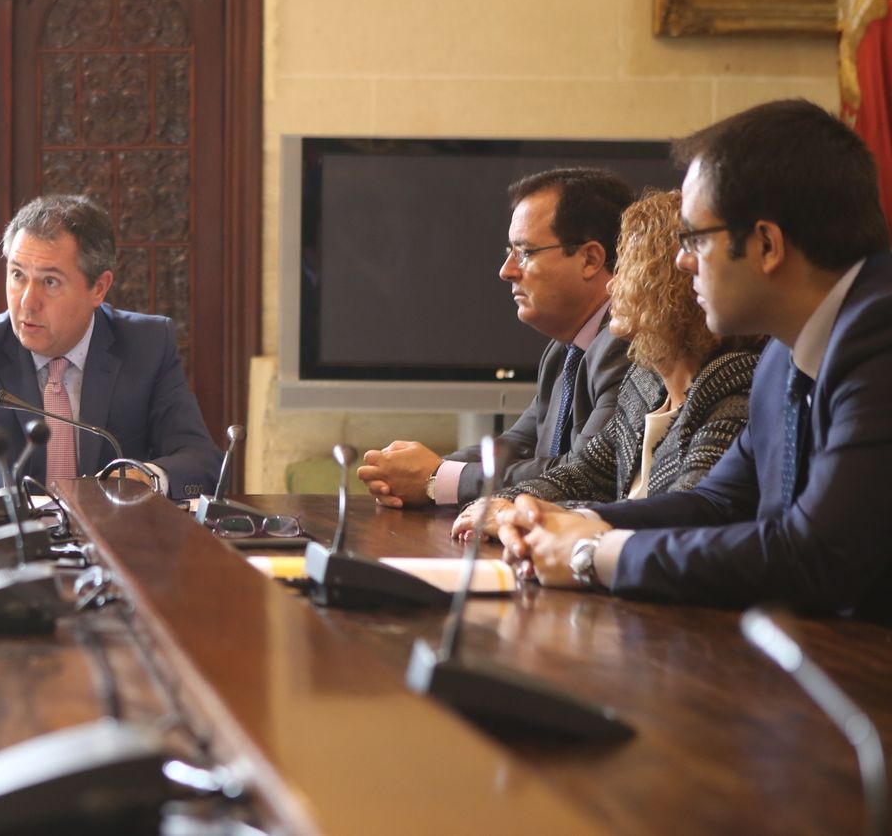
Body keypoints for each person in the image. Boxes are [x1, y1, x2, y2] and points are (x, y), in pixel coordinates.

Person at [498, 99, 892, 623]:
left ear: (767, 244)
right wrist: (572, 521)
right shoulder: (782, 354)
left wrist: (593, 554)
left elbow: (816, 557)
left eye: (695, 239)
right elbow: (715, 503)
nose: (681, 261)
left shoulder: (880, 339)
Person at [452, 189, 763, 540]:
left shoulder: (736, 385)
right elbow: (581, 474)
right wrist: (505, 504)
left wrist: (535, 515)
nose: (613, 283)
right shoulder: (644, 382)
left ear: (672, 284)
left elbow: (685, 512)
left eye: (628, 266)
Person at [0, 194, 222, 507]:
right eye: (17, 275)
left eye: (50, 282)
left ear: (98, 288)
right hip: (3, 553)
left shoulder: (146, 345)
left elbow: (202, 461)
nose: (27, 302)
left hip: (118, 549)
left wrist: (145, 476)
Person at [359, 168, 635, 509]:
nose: (506, 270)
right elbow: (515, 445)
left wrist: (437, 478)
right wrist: (414, 470)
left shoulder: (625, 342)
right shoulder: (564, 351)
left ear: (590, 259)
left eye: (525, 252)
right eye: (510, 251)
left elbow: (584, 476)